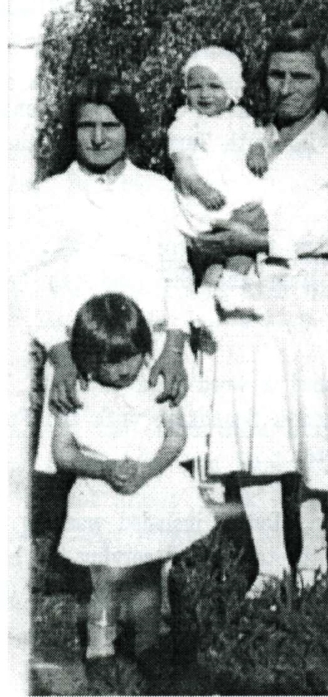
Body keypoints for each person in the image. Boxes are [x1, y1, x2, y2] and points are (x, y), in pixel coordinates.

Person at [192, 27, 328, 599]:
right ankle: (271, 567)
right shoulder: (240, 137)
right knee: (258, 434)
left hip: (311, 303)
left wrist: (265, 234)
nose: (288, 87)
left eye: (302, 75)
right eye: (277, 75)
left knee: (313, 435)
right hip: (248, 308)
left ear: (322, 81)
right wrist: (221, 239)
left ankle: (313, 561)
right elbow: (206, 207)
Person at [27, 76, 206, 480]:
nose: (97, 138)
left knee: (166, 476)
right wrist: (62, 358)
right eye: (86, 126)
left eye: (110, 126)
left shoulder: (157, 191)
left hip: (153, 356)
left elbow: (178, 276)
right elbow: (32, 285)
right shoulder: (49, 197)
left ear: (128, 130)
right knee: (92, 476)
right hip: (79, 359)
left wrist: (174, 350)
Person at [52, 294, 215, 693]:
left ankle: (148, 644)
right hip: (100, 496)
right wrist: (103, 468)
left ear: (145, 349)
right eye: (109, 362)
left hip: (151, 490)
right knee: (105, 578)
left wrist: (149, 469)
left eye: (131, 357)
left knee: (148, 576)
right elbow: (63, 452)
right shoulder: (78, 392)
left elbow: (177, 436)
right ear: (88, 359)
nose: (123, 370)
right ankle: (101, 649)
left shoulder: (153, 381)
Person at [169, 46, 269, 323]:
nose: (204, 94)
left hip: (234, 196)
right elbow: (183, 165)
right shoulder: (185, 122)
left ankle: (209, 295)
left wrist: (256, 150)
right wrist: (202, 190)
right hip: (204, 200)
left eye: (215, 86)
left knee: (244, 241)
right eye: (196, 86)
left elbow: (257, 138)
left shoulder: (240, 118)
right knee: (233, 239)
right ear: (186, 91)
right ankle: (230, 288)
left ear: (232, 90)